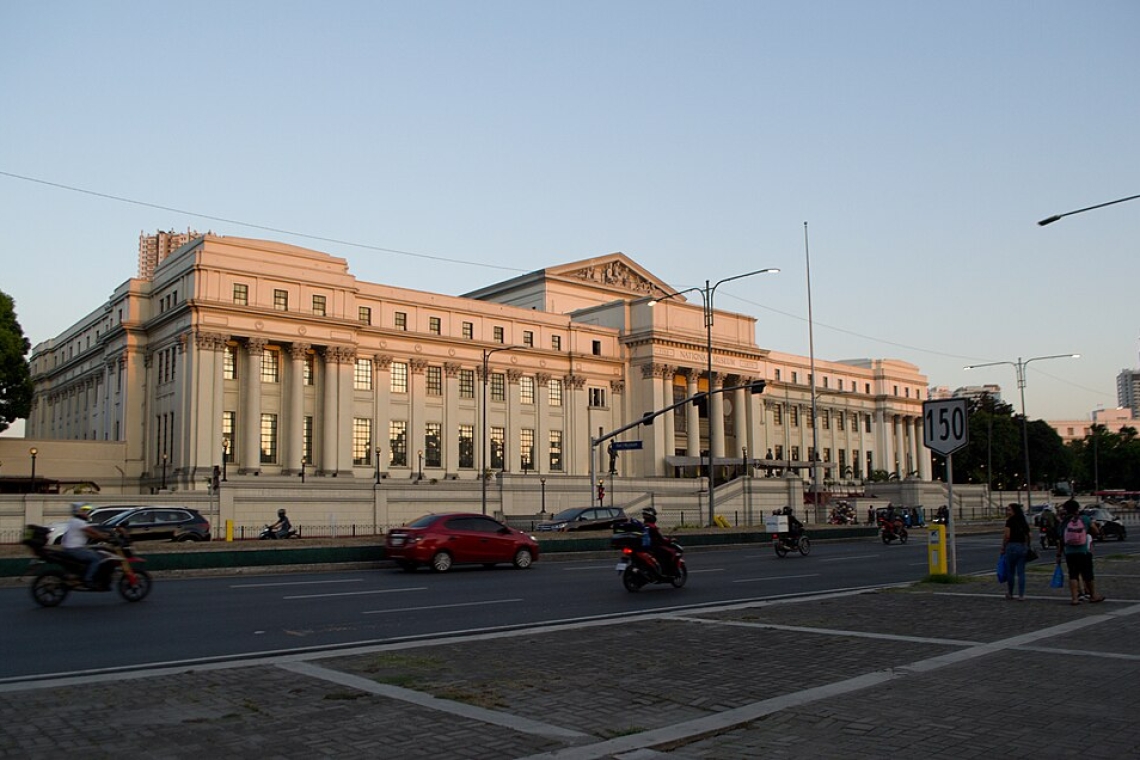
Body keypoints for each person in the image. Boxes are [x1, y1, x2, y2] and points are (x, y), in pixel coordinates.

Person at [1056, 499, 1104, 606]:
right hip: (1084, 551)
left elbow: (1061, 539)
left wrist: (1059, 554)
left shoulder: (1064, 522)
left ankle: (1074, 598)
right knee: (1088, 574)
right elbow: (1095, 530)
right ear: (1077, 508)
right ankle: (1093, 596)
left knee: (1073, 574)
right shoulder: (1084, 519)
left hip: (1069, 552)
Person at [61, 503, 111, 587]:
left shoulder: (73, 521)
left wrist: (100, 537)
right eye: (84, 511)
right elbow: (92, 531)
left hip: (70, 548)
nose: (86, 513)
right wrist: (103, 535)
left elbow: (89, 535)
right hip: (75, 549)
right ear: (78, 512)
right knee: (96, 559)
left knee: (95, 553)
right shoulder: (79, 522)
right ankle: (88, 579)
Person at [1000, 502, 1031, 600]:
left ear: (1014, 511)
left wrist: (1003, 547)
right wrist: (1026, 545)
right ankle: (1021, 595)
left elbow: (1007, 536)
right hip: (1022, 546)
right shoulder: (1023, 521)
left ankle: (1010, 593)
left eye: (1009, 509)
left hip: (1011, 546)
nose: (1007, 511)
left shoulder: (1009, 521)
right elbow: (1029, 535)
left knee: (1010, 572)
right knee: (1021, 572)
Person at [639, 507, 678, 577]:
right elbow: (661, 539)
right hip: (655, 547)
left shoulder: (643, 526)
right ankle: (668, 572)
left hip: (645, 547)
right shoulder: (652, 527)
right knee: (671, 552)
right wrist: (670, 541)